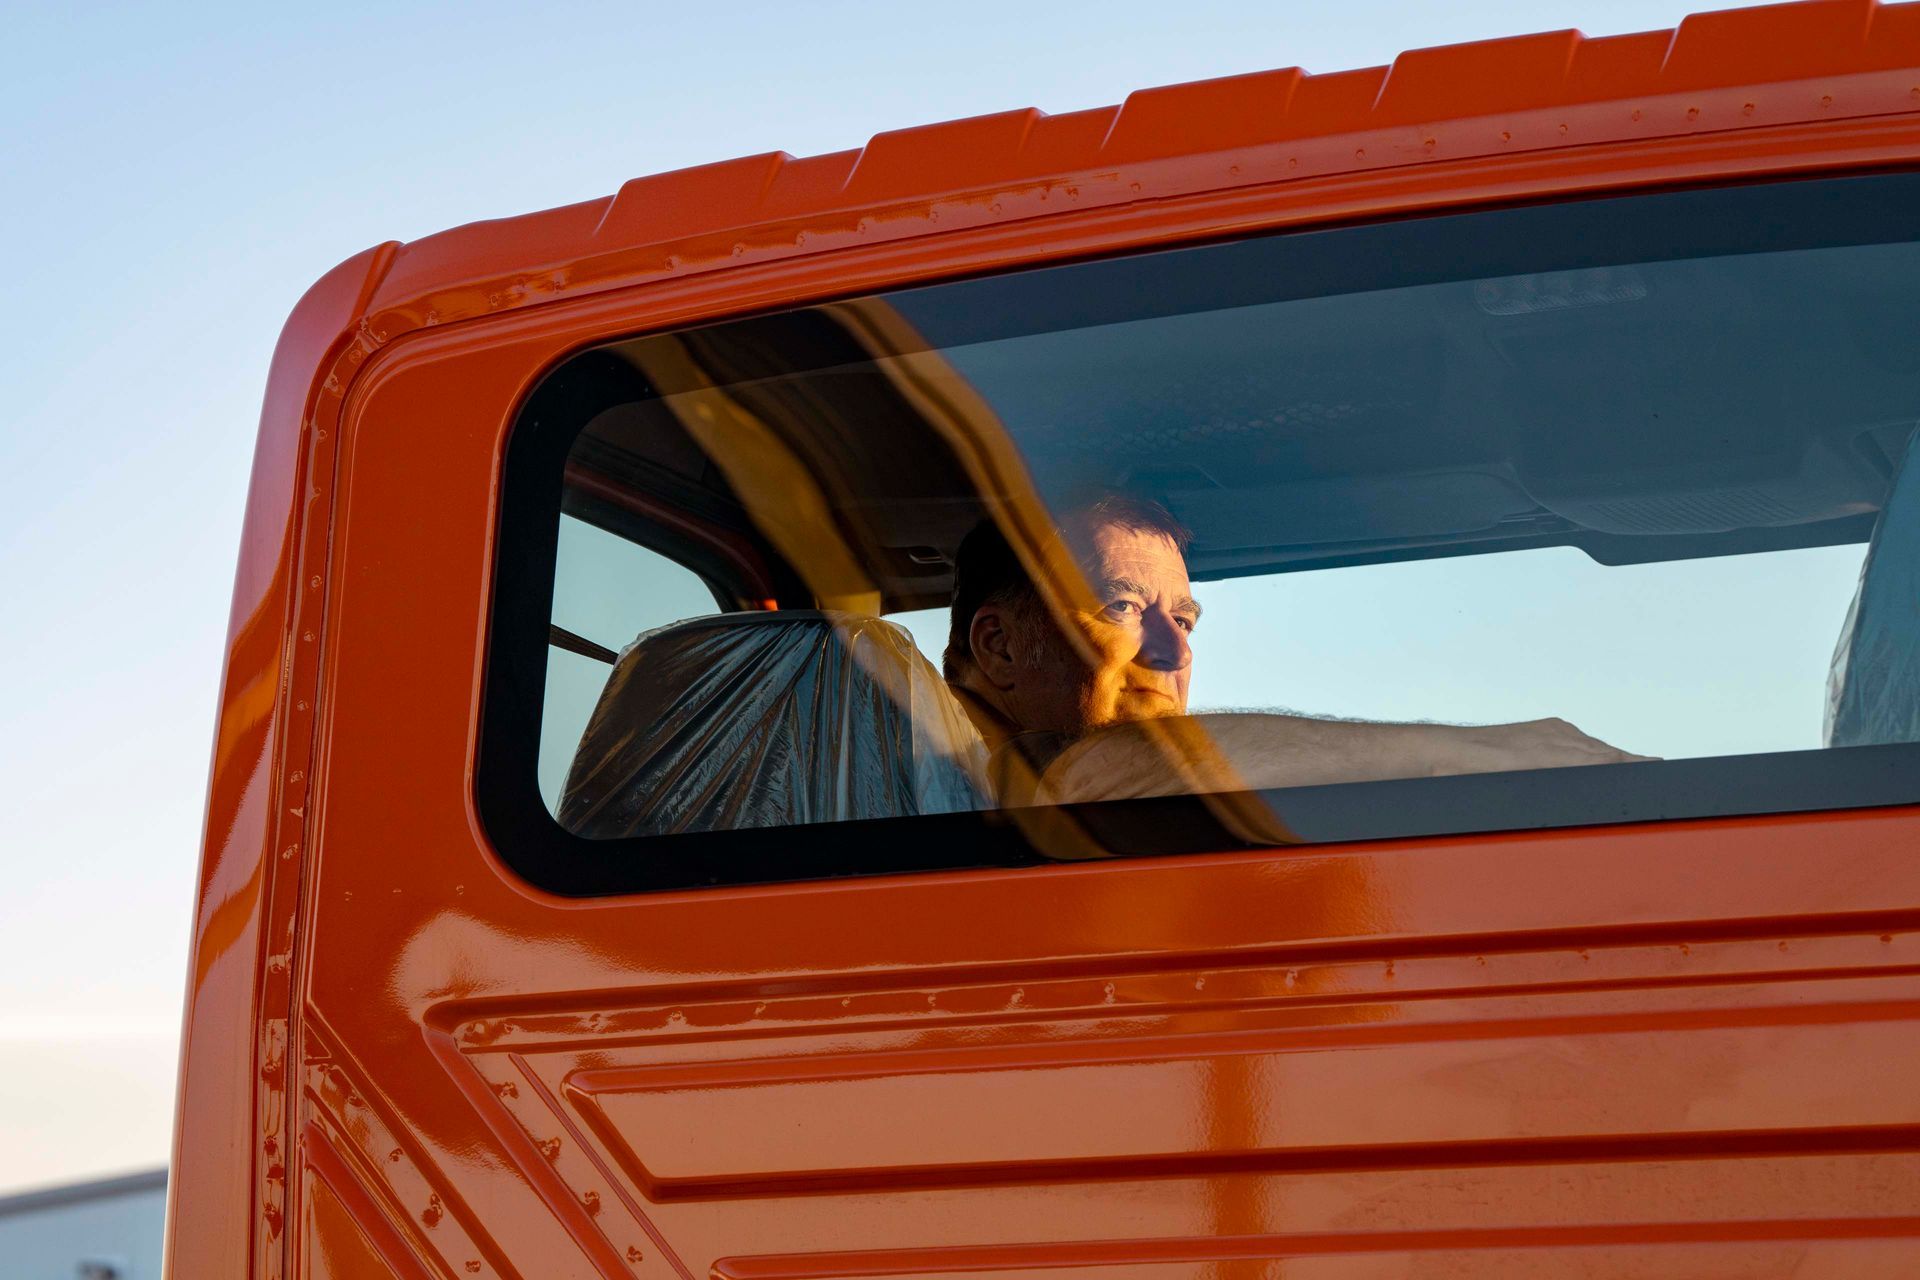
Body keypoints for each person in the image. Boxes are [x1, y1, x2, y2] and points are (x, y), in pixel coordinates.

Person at [942, 495, 1649, 805]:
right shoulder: (969, 783)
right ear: (999, 646)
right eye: (1122, 606)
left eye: (1185, 622)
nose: (1172, 654)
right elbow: (1089, 773)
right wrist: (1495, 755)